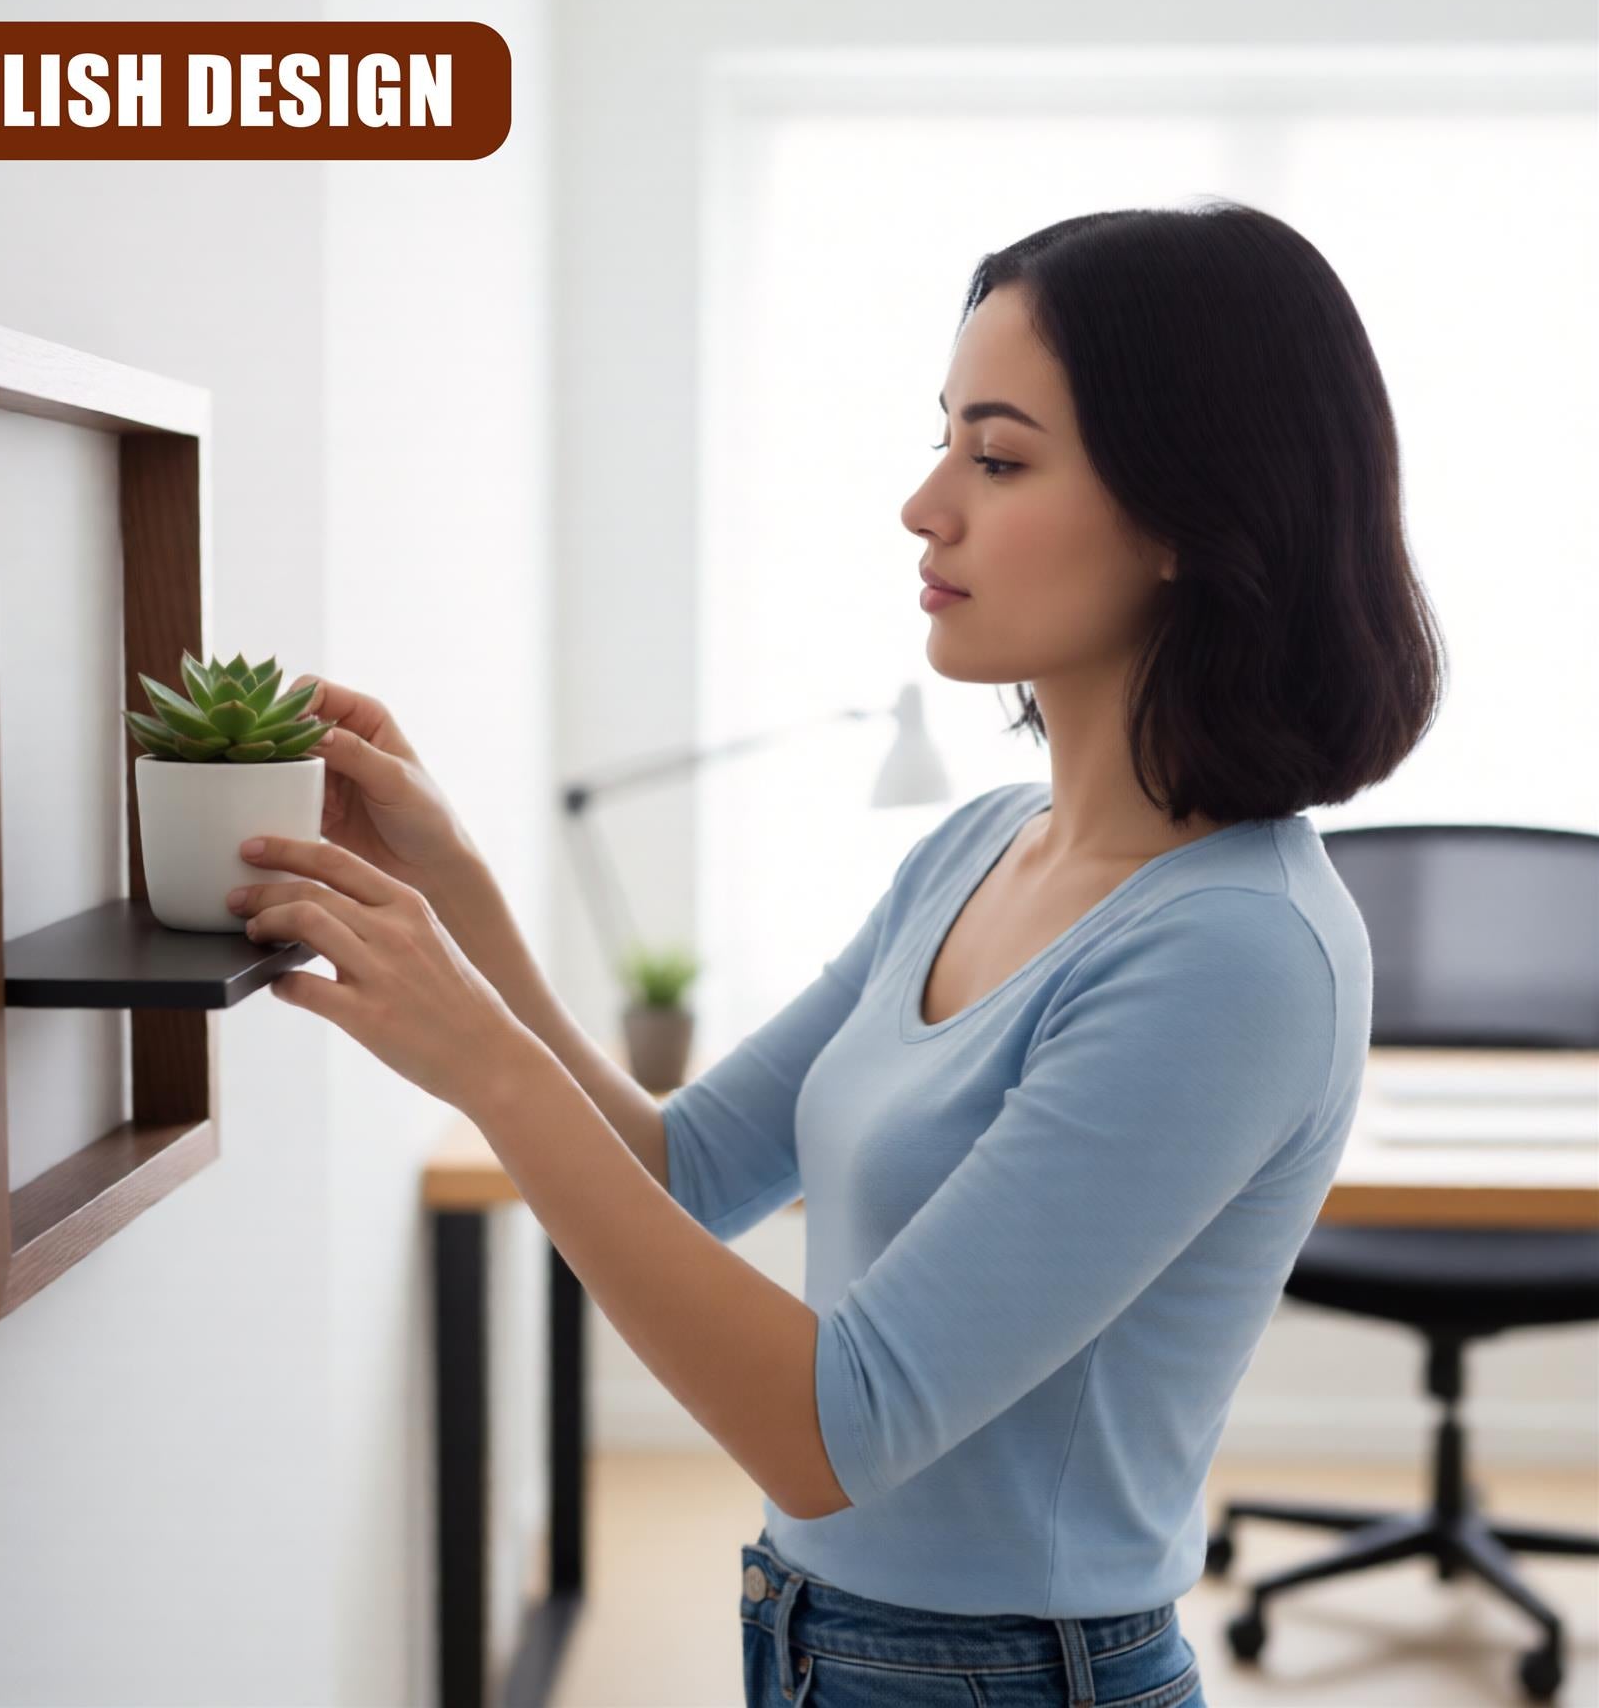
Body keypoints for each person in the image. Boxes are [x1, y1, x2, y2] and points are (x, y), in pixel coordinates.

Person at [245, 200, 1444, 1707]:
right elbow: (684, 1171)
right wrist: (458, 888)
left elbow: (830, 1431)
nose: (924, 504)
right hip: (816, 1641)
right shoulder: (979, 848)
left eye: (998, 459)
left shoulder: (1238, 955)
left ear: (1183, 520)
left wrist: (484, 1062)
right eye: (946, 439)